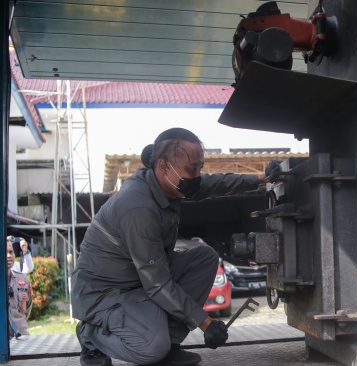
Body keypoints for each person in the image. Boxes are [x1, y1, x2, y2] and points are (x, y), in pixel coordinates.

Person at [71, 127, 271, 366]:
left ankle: (170, 344)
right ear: (163, 166)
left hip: (138, 279)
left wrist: (262, 179)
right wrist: (206, 323)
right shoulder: (138, 208)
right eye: (192, 169)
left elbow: (213, 184)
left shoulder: (170, 184)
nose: (197, 175)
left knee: (205, 258)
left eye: (199, 168)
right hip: (104, 291)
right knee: (151, 347)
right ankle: (91, 335)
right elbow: (157, 284)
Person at [6, 240, 33, 339]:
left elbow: (27, 309)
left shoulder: (23, 280)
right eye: (5, 252)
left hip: (21, 337)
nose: (9, 256)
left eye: (11, 252)